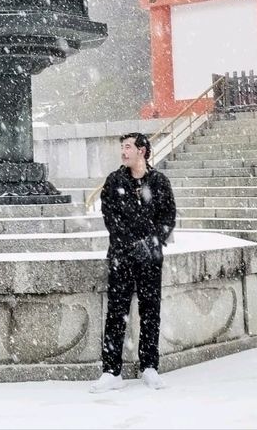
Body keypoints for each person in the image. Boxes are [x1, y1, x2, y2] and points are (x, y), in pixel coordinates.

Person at [89, 132, 176, 393]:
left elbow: (168, 217)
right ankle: (111, 371)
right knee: (116, 313)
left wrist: (149, 244)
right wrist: (130, 244)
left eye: (128, 147)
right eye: (122, 148)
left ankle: (149, 366)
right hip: (121, 257)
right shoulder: (114, 181)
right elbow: (111, 219)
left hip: (150, 258)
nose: (123, 152)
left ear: (142, 150)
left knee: (150, 311)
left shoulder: (159, 182)